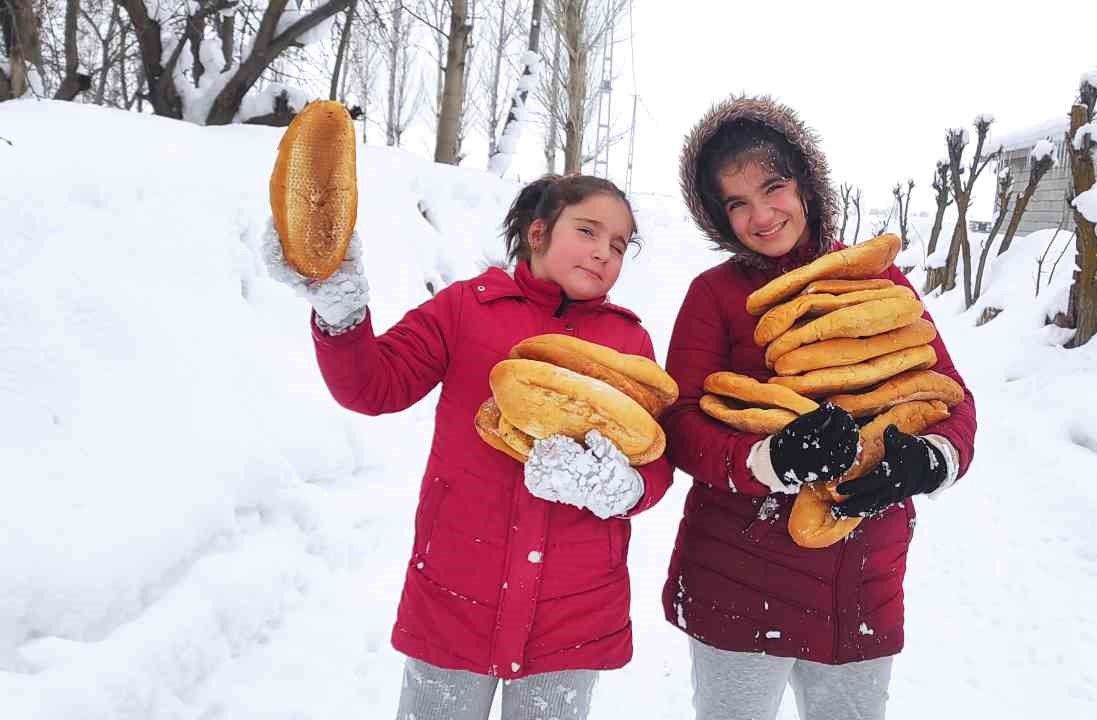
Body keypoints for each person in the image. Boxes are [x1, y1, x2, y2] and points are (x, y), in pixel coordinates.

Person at [262, 173, 674, 719]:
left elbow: (655, 458)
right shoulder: (466, 309)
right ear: (538, 233)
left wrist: (626, 490)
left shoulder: (629, 342)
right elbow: (373, 386)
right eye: (588, 231)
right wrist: (343, 316)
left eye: (618, 246)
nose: (603, 252)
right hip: (455, 597)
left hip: (572, 614)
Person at [660, 96, 977, 720]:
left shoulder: (880, 283)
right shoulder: (715, 296)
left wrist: (930, 460)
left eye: (772, 187)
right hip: (738, 576)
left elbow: (951, 397)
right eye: (737, 203)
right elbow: (681, 421)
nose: (761, 215)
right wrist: (767, 460)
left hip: (859, 578)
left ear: (804, 183)